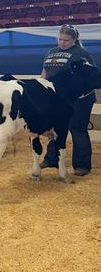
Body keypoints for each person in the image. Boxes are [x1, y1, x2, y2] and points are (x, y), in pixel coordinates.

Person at [40, 25, 97, 176]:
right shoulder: (51, 52)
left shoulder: (82, 54)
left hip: (80, 99)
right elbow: (45, 72)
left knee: (77, 129)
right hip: (57, 99)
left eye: (66, 40)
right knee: (54, 130)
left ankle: (82, 165)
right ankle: (52, 159)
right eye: (60, 39)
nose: (62, 42)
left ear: (74, 39)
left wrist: (80, 96)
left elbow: (91, 77)